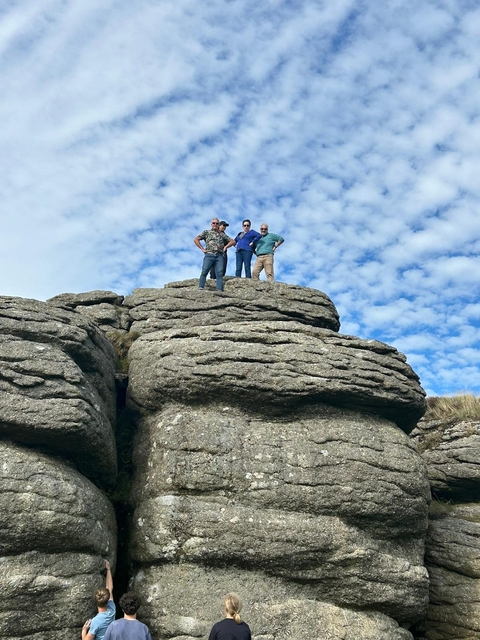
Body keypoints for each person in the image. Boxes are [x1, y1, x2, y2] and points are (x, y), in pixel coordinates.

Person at [194, 218, 235, 291]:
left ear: (218, 225)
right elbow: (196, 239)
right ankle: (201, 287)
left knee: (219, 273)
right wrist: (202, 249)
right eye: (214, 223)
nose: (215, 225)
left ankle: (219, 290)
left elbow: (232, 241)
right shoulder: (206, 232)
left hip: (219, 255)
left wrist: (225, 247)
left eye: (217, 223)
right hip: (209, 254)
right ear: (211, 224)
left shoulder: (222, 234)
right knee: (204, 271)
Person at [82, 560, 115, 640]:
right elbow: (109, 588)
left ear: (96, 602)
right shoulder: (112, 609)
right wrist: (108, 569)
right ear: (107, 601)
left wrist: (84, 630)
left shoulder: (95, 621)